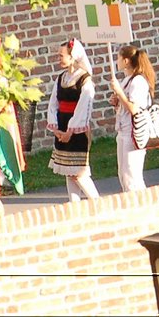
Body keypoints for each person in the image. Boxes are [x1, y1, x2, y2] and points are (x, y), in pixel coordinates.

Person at [46, 39, 98, 201]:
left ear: (73, 57)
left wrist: (70, 131)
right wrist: (56, 128)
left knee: (78, 173)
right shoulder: (61, 78)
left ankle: (98, 203)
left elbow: (83, 107)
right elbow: (53, 103)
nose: (59, 58)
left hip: (77, 130)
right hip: (61, 127)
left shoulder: (84, 79)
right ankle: (75, 206)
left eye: (61, 55)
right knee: (69, 172)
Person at [107, 43, 156, 191]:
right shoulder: (127, 80)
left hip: (134, 132)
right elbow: (125, 105)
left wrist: (119, 93)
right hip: (123, 130)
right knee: (123, 174)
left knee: (132, 176)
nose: (117, 61)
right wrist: (117, 101)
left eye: (119, 58)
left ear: (126, 60)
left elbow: (134, 109)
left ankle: (142, 205)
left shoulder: (138, 81)